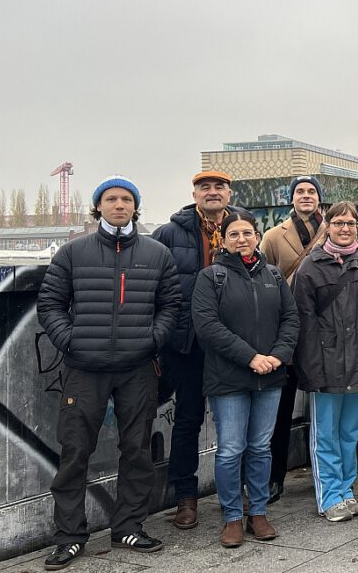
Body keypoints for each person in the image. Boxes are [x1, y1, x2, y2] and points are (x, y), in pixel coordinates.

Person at [37, 177, 180, 570]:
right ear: (98, 206)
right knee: (74, 452)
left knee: (136, 451)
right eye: (111, 199)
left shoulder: (157, 254)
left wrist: (152, 339)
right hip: (84, 368)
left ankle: (129, 525)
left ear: (136, 206)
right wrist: (72, 341)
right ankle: (69, 536)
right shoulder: (72, 253)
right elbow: (49, 304)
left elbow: (171, 305)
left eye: (126, 199)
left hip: (138, 368)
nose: (119, 205)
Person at [191, 211, 299, 548]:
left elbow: (291, 319)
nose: (242, 239)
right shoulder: (211, 277)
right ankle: (232, 516)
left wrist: (278, 355)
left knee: (260, 447)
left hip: (270, 377)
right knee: (230, 450)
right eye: (234, 234)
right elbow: (208, 326)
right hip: (229, 379)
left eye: (248, 233)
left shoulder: (274, 275)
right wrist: (251, 357)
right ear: (223, 240)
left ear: (257, 236)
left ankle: (259, 511)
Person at [153, 169, 241, 530]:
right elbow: (152, 287)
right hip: (187, 344)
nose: (212, 192)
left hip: (231, 344)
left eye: (219, 186)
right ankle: (185, 497)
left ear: (229, 193)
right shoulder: (170, 234)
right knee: (188, 420)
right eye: (205, 187)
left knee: (234, 423)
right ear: (194, 193)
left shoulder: (243, 229)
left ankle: (234, 494)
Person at [293, 202, 358, 522]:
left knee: (350, 432)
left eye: (350, 223)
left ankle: (346, 490)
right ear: (328, 226)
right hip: (325, 365)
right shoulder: (310, 267)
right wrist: (309, 368)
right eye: (338, 223)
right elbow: (302, 325)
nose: (345, 229)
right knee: (325, 435)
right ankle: (329, 496)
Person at [259, 175, 326, 503]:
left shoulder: (333, 231)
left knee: (325, 406)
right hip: (284, 331)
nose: (306, 196)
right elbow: (260, 281)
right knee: (281, 408)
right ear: (292, 198)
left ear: (319, 198)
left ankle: (325, 475)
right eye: (300, 191)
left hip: (323, 331)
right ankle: (274, 477)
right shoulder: (273, 236)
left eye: (311, 191)